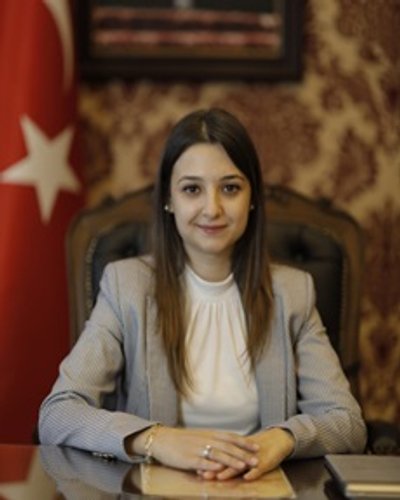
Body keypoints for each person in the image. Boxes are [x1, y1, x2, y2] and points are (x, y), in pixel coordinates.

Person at [39, 108, 367, 481]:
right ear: (169, 199)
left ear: (252, 198)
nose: (212, 209)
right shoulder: (126, 286)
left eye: (230, 188)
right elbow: (58, 413)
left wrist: (284, 438)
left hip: (256, 486)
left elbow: (347, 422)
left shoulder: (292, 292)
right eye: (192, 189)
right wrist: (157, 439)